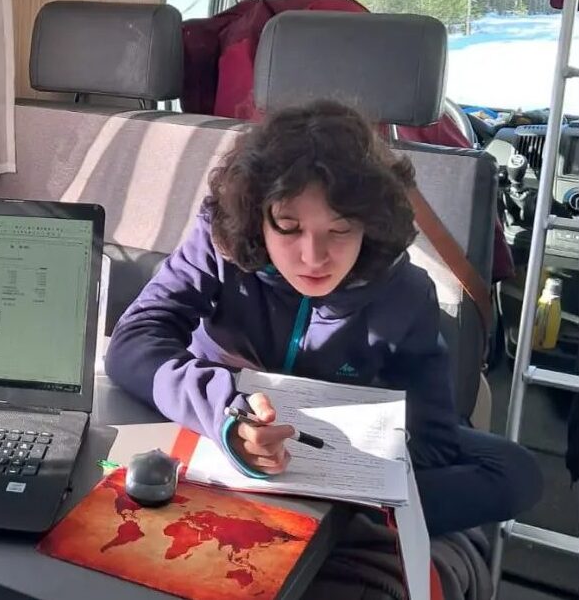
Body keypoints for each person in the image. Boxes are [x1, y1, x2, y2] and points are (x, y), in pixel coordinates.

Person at [104, 100, 541, 535]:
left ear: (370, 225)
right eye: (289, 227)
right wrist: (225, 416)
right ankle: (329, 520)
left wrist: (352, 465)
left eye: (340, 229)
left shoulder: (406, 292)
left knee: (516, 471)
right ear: (258, 218)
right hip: (216, 420)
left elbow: (434, 435)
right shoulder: (220, 247)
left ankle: (326, 521)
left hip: (335, 440)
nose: (313, 257)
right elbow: (134, 342)